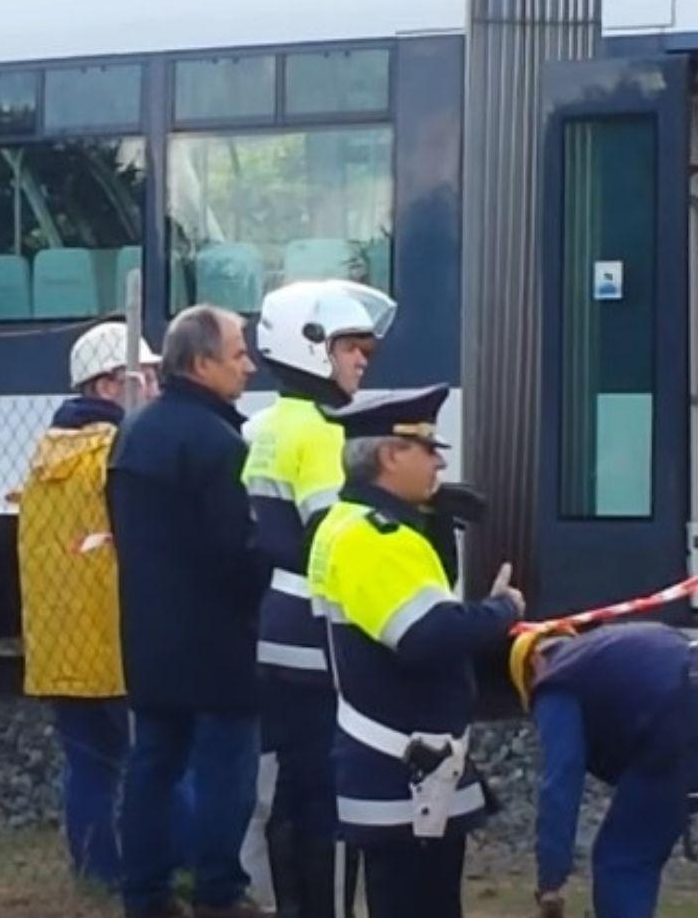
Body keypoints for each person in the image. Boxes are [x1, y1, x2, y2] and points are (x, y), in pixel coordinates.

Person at [307, 387, 524, 918]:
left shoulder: (345, 524)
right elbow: (426, 637)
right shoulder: (377, 538)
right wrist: (503, 610)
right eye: (428, 448)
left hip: (399, 761)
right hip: (404, 767)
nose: (441, 461)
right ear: (389, 455)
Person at [16, 320, 195, 890]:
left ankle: (96, 873)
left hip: (61, 648)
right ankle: (182, 869)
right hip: (124, 641)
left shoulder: (45, 458)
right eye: (143, 377)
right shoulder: (122, 454)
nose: (156, 388)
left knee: (88, 766)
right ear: (107, 385)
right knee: (168, 759)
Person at [110, 305, 269, 918]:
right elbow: (236, 549)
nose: (249, 365)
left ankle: (144, 893)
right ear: (202, 363)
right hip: (217, 638)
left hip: (148, 635)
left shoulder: (134, 434)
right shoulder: (220, 442)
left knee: (152, 766)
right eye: (238, 354)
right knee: (226, 770)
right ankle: (218, 891)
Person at [243, 281, 395, 918]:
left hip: (266, 635)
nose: (363, 360)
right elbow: (339, 544)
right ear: (310, 347)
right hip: (320, 638)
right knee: (332, 795)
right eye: (350, 347)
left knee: (281, 792)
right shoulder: (328, 435)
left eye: (365, 348)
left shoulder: (258, 426)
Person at [512, 622, 698, 918]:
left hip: (668, 739)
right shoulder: (604, 650)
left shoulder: (556, 681)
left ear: (534, 664)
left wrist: (550, 879)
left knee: (622, 860)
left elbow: (561, 780)